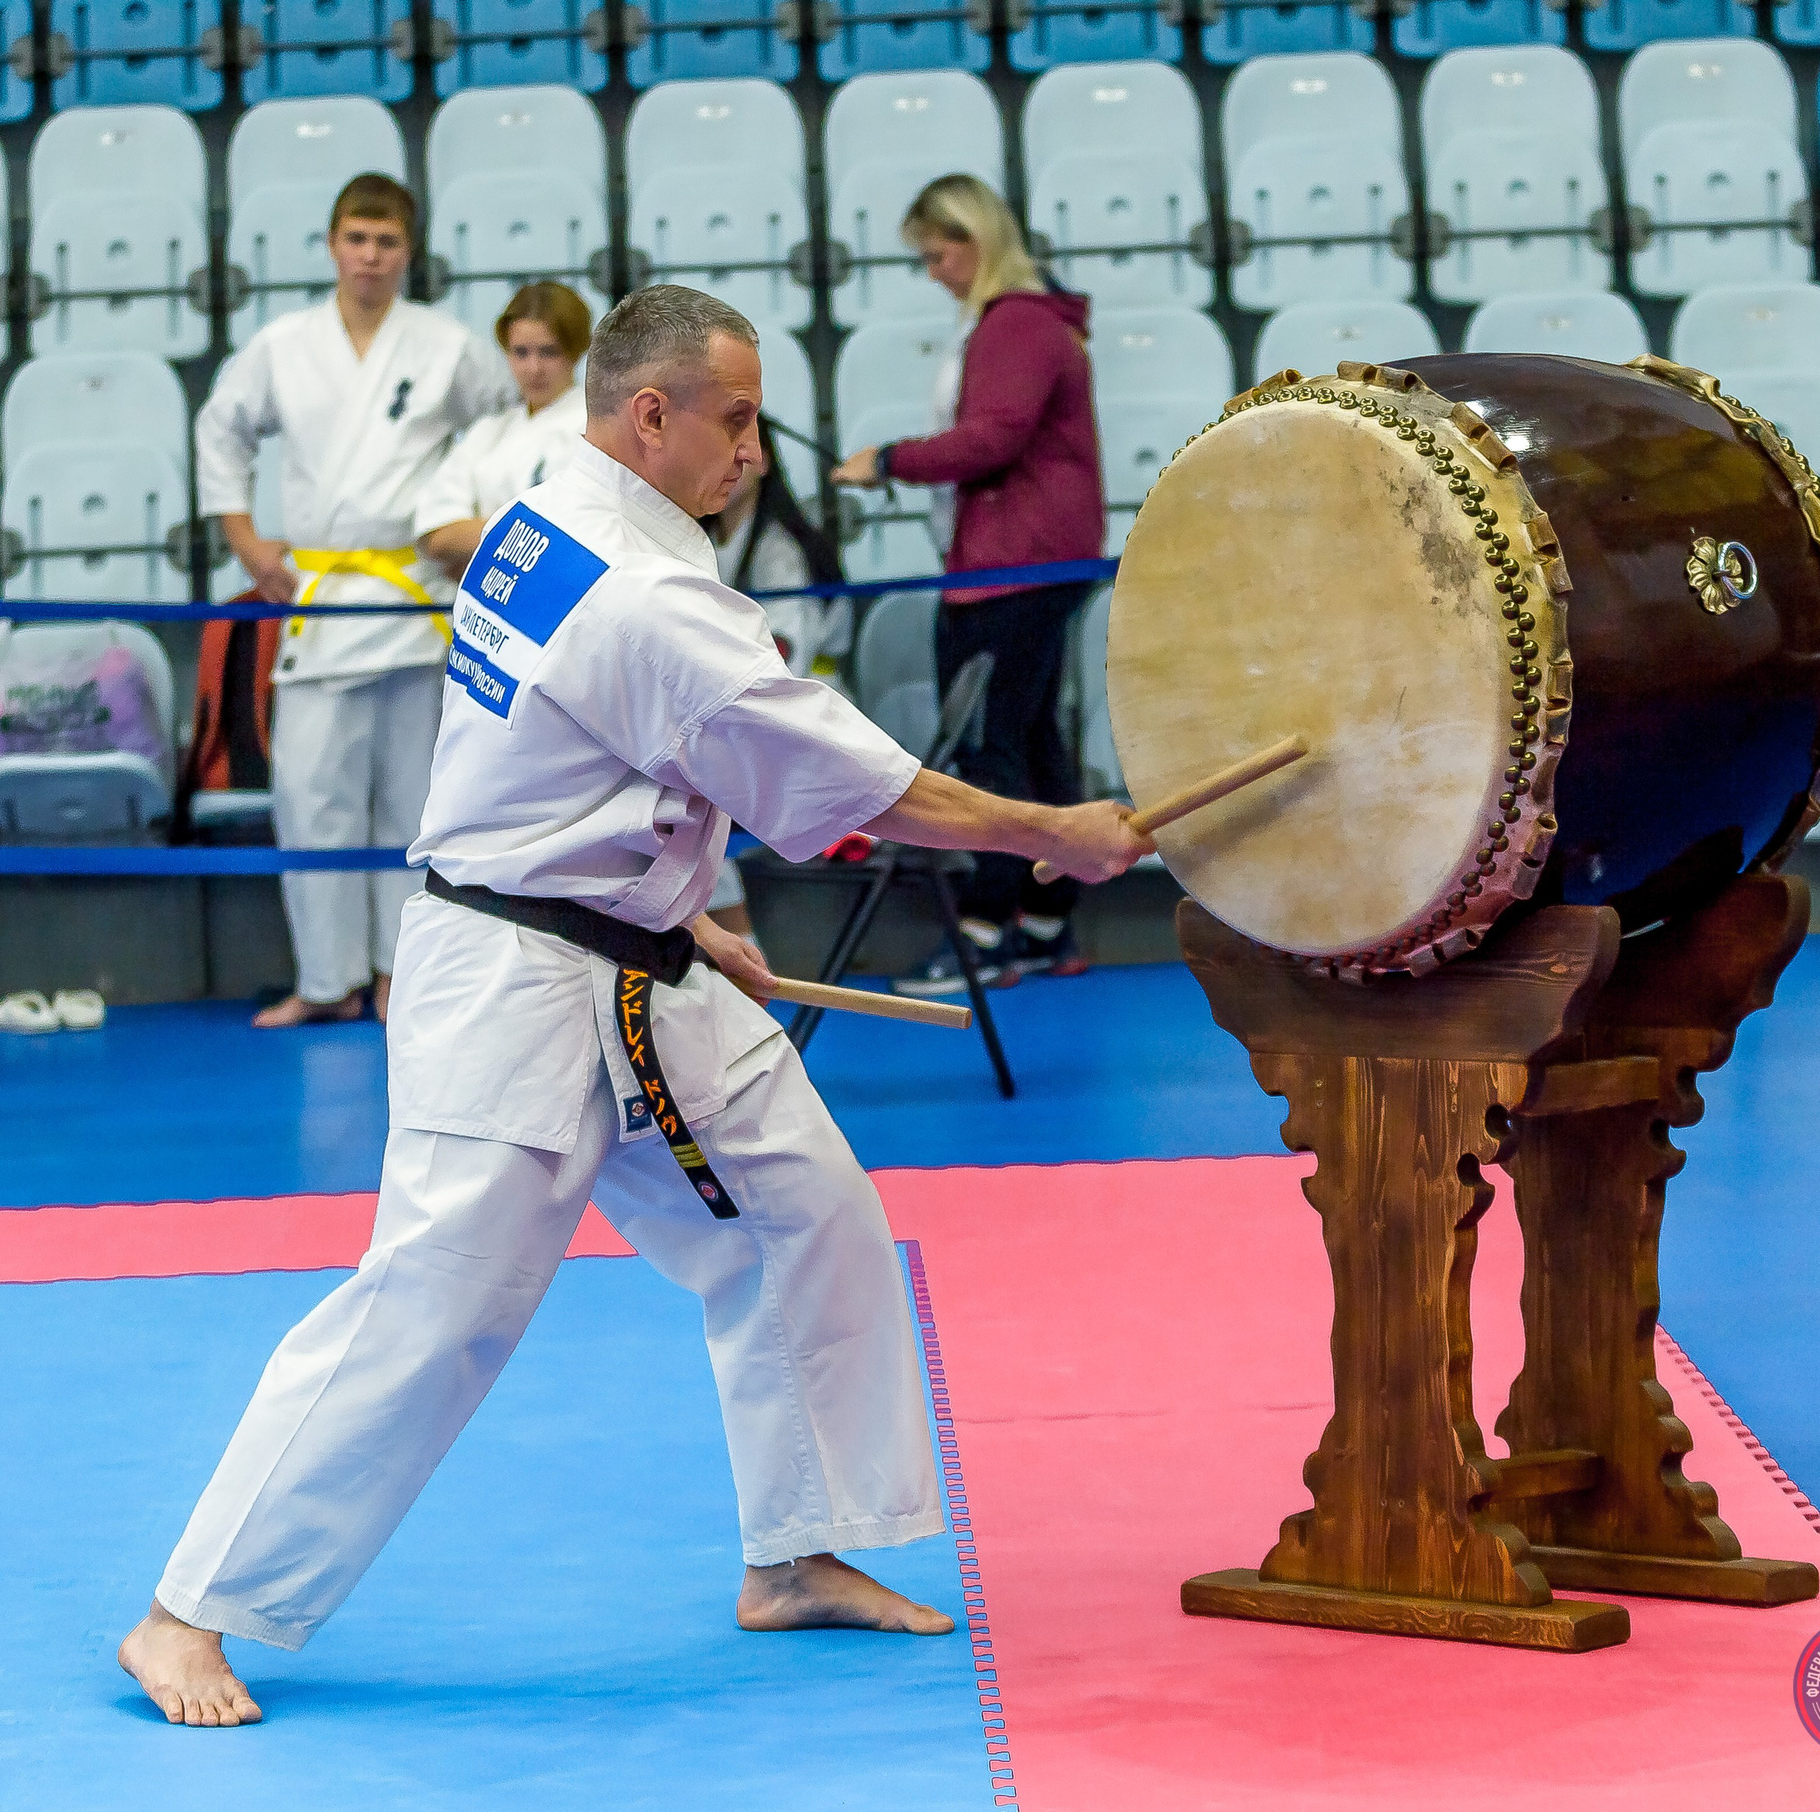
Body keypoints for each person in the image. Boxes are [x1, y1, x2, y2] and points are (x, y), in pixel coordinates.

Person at [118, 285, 1157, 1728]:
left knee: (809, 1211)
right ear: (649, 416)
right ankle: (188, 1612)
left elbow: (606, 753)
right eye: (734, 423)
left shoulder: (549, 511)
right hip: (520, 982)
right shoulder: (651, 592)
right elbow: (874, 787)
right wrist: (1058, 833)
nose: (754, 454)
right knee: (440, 1302)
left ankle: (797, 1552)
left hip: (633, 954)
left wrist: (685, 907)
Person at [197, 173, 516, 1027]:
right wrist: (245, 541)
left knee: (414, 800)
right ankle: (324, 980)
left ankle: (396, 979)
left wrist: (470, 524)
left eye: (386, 242)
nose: (370, 256)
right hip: (321, 596)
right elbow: (220, 428)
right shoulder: (283, 343)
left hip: (419, 596)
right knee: (309, 796)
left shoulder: (447, 345)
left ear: (410, 253)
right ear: (333, 244)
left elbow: (503, 430)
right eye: (356, 239)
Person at [829, 173, 1105, 998]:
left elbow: (992, 437)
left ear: (975, 240)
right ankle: (1047, 921)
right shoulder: (1029, 319)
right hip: (1031, 557)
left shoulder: (1014, 323)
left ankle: (988, 928)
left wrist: (889, 459)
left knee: (990, 746)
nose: (932, 271)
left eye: (937, 252)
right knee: (1031, 739)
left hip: (1010, 567)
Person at [696, 416, 852, 943]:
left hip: (807, 732)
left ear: (764, 462)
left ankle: (742, 969)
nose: (729, 465)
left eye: (742, 450)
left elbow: (782, 671)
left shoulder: (783, 553)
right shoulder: (709, 541)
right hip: (750, 725)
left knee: (682, 809)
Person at [413, 281, 593, 579]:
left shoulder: (596, 429)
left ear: (575, 351)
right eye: (520, 352)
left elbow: (582, 538)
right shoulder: (488, 433)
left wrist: (481, 554)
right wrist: (527, 539)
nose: (533, 369)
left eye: (549, 352)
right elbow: (437, 537)